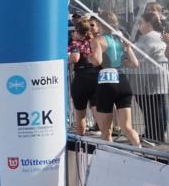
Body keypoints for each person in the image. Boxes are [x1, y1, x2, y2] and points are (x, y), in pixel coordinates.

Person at [89, 11, 141, 146]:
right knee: (127, 127)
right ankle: (140, 151)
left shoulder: (98, 40)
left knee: (106, 130)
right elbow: (135, 64)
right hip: (122, 81)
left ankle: (110, 157)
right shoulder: (121, 40)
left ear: (100, 23)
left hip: (106, 83)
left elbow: (97, 60)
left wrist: (89, 57)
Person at [135, 12, 168, 142]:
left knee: (151, 107)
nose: (139, 27)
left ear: (148, 24)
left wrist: (128, 55)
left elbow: (139, 56)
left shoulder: (148, 38)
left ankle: (154, 135)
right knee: (156, 107)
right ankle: (154, 133)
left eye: (141, 23)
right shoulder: (160, 36)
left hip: (150, 77)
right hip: (159, 76)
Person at [67, 18, 99, 136]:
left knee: (80, 112)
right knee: (96, 106)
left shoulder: (75, 43)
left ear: (77, 31)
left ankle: (80, 139)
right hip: (95, 74)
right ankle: (107, 133)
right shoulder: (92, 42)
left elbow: (75, 58)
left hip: (81, 77)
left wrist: (66, 59)